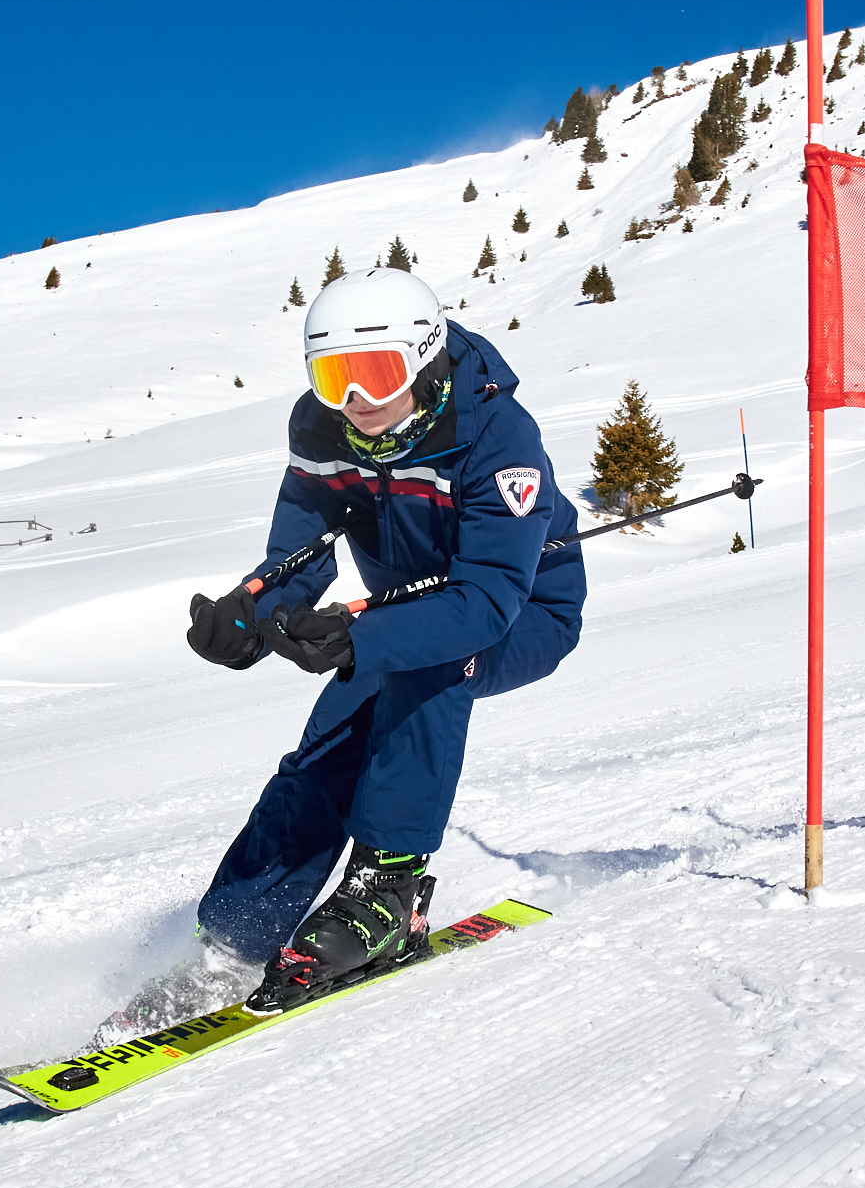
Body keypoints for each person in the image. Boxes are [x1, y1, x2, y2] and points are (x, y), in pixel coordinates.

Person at [175, 267, 586, 1019]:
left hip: (522, 609)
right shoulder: (324, 429)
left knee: (429, 665)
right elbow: (300, 551)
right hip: (402, 607)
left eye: (375, 371)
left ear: (425, 357)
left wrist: (363, 636)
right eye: (332, 376)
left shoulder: (496, 435)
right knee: (335, 738)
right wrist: (250, 617)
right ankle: (237, 935)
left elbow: (488, 600)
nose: (354, 399)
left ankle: (385, 891)